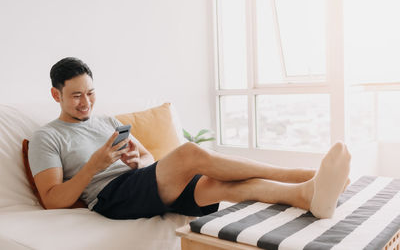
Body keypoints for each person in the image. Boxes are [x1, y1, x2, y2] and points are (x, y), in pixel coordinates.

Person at [28, 57, 351, 220]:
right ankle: (305, 175)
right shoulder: (47, 137)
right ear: (56, 94)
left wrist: (135, 159)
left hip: (140, 182)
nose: (85, 103)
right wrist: (93, 166)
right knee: (189, 154)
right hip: (110, 197)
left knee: (221, 187)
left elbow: (148, 160)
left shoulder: (107, 121)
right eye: (76, 96)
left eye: (91, 93)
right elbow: (51, 199)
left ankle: (306, 195)